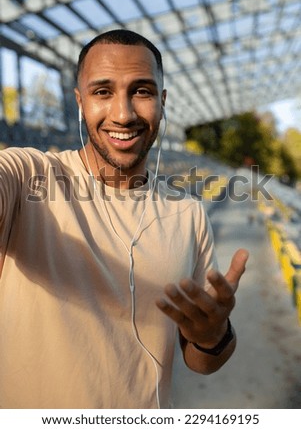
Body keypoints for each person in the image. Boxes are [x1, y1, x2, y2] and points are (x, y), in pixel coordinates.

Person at [0, 29, 249, 409]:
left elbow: (200, 362)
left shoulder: (188, 214)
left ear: (162, 102)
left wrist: (212, 335)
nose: (124, 114)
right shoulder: (28, 175)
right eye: (103, 92)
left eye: (142, 91)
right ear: (80, 102)